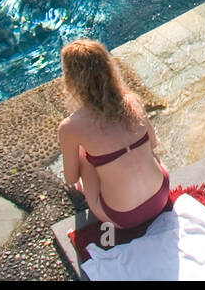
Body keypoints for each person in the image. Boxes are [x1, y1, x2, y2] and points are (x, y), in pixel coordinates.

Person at [58, 39, 172, 229]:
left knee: (86, 157)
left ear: (71, 80)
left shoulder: (70, 127)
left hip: (122, 217)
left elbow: (70, 178)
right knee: (135, 149)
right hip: (161, 195)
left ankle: (88, 188)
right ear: (109, 69)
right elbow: (153, 144)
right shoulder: (132, 101)